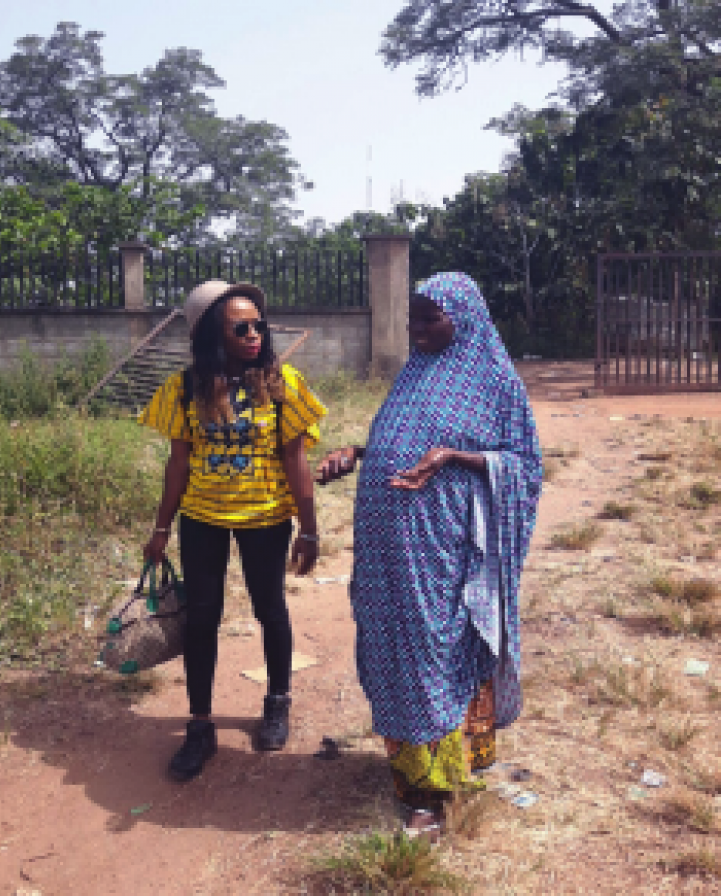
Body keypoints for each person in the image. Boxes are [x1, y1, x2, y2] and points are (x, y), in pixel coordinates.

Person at [316, 272, 542, 838]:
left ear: (460, 319)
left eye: (428, 318)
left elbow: (523, 466)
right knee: (393, 647)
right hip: (389, 550)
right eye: (412, 317)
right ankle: (413, 775)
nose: (415, 328)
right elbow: (401, 443)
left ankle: (436, 796)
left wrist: (453, 457)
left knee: (432, 651)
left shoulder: (494, 381)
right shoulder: (414, 374)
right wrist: (358, 453)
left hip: (445, 554)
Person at [140, 279, 326, 782]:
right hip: (202, 518)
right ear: (210, 335)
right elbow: (178, 465)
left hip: (266, 518)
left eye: (257, 325)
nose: (253, 334)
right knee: (201, 619)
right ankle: (200, 725)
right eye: (239, 327)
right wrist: (161, 528)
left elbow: (296, 460)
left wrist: (309, 529)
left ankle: (277, 702)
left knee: (270, 609)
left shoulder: (281, 383)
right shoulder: (185, 388)